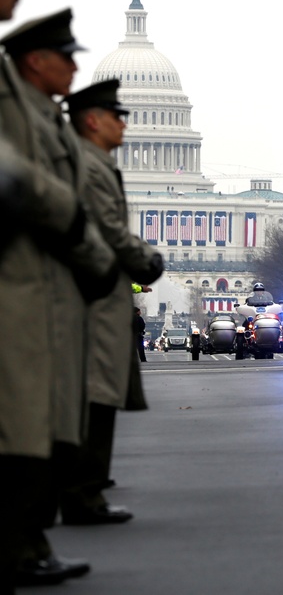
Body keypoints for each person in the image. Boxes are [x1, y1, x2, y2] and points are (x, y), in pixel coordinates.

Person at [2, 4, 121, 589]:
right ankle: (22, 541)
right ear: (36, 60)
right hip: (28, 284)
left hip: (57, 285)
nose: (74, 67)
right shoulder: (15, 107)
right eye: (65, 58)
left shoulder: (44, 114)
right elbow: (40, 192)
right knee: (26, 418)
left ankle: (30, 537)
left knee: (51, 412)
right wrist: (88, 242)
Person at [61, 79, 164, 526]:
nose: (125, 123)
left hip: (101, 291)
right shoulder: (89, 165)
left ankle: (87, 487)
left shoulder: (93, 162)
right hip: (94, 293)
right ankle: (83, 493)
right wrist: (145, 260)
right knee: (96, 392)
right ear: (91, 120)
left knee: (98, 391)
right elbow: (105, 228)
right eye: (115, 115)